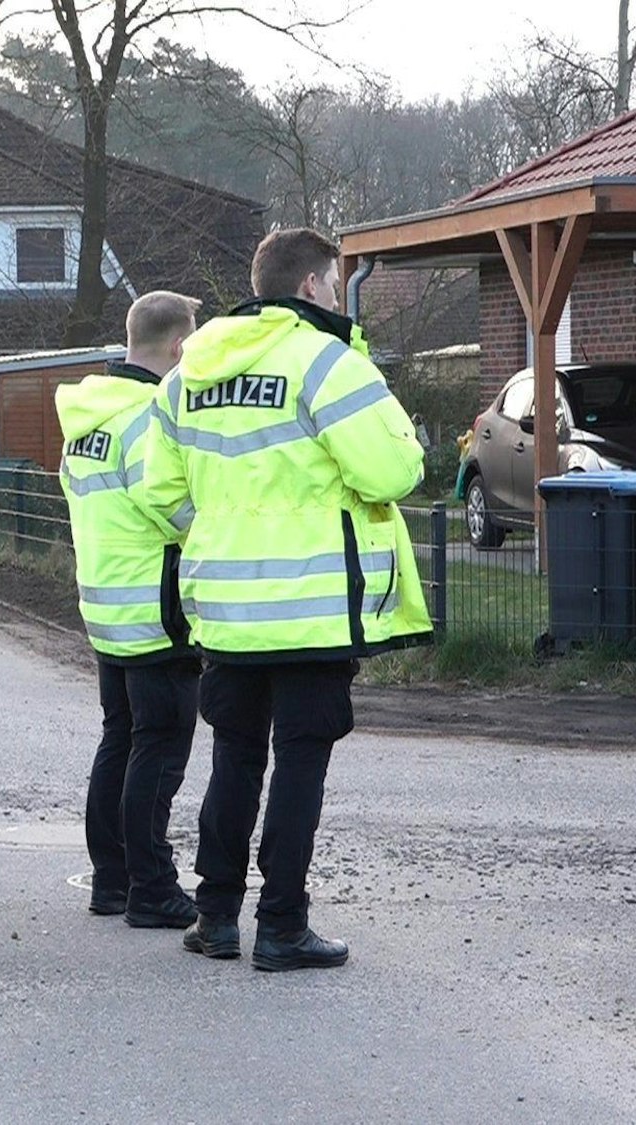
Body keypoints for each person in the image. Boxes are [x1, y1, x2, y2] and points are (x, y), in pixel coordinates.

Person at [139, 228, 431, 971]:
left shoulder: (188, 375)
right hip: (313, 609)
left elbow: (158, 494)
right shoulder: (328, 363)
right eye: (334, 285)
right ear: (309, 287)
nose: (337, 297)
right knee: (300, 762)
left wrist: (220, 535)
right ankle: (282, 925)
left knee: (233, 756)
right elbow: (395, 472)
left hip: (228, 613)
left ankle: (214, 917)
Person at [56, 291, 203, 930]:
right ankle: (152, 886)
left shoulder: (89, 419)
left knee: (120, 739)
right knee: (160, 747)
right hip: (157, 608)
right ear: (177, 349)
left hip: (105, 605)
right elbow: (172, 508)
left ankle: (111, 879)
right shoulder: (149, 420)